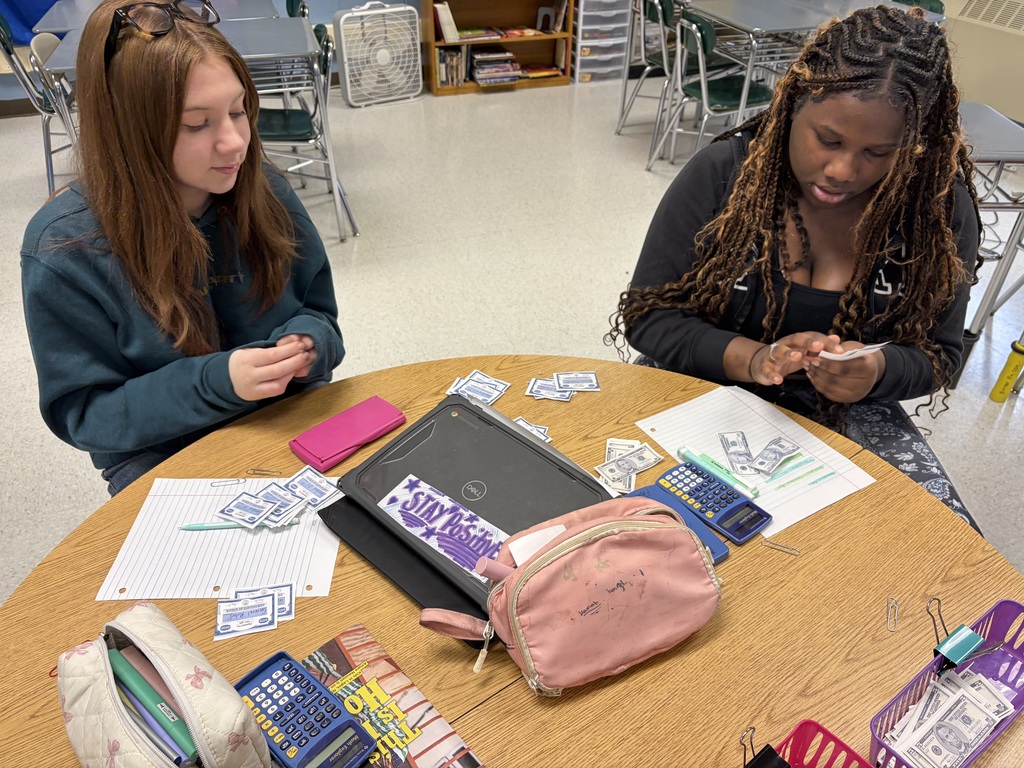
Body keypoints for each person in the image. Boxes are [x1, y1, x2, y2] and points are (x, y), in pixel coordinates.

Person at [607, 5, 982, 531]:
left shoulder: (935, 212)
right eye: (827, 139)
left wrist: (876, 370)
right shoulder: (725, 177)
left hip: (850, 416)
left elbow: (939, 354)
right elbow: (651, 317)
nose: (842, 170)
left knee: (920, 553)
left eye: (879, 152)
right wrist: (755, 358)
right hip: (703, 388)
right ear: (791, 103)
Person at [20, 0, 345, 495]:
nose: (235, 142)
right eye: (198, 125)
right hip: (163, 451)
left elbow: (320, 316)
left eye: (239, 111)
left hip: (289, 415)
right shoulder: (65, 248)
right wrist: (219, 382)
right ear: (130, 132)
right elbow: (86, 415)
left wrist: (307, 344)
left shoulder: (265, 193)